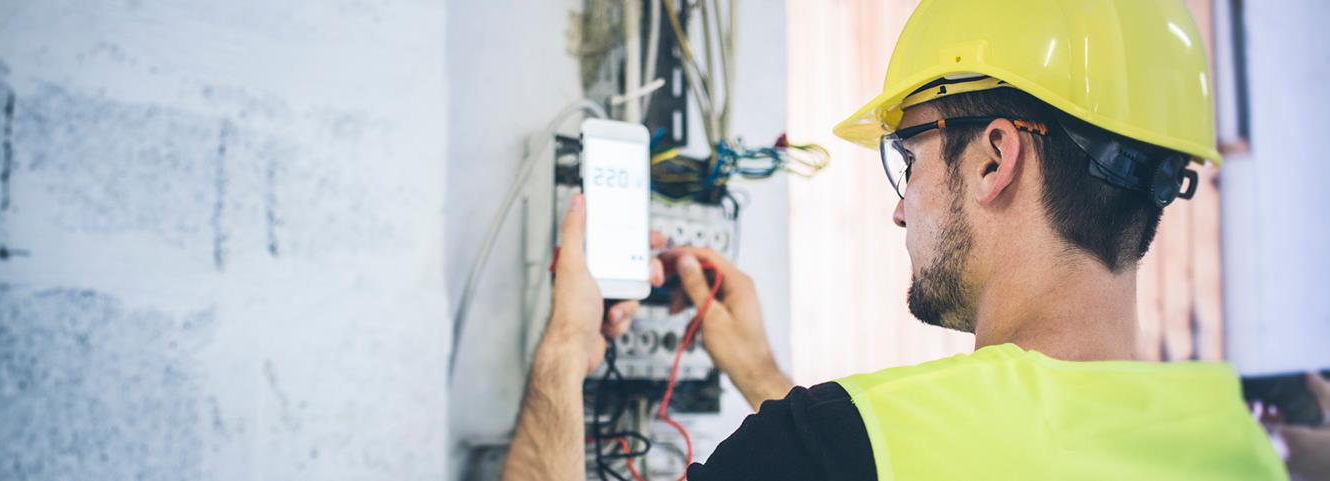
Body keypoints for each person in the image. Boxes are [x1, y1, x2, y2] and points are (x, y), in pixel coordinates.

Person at [502, 0, 1288, 479]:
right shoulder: (1247, 452)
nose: (898, 210)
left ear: (992, 158)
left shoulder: (836, 444)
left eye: (906, 156)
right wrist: (761, 373)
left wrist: (566, 349)